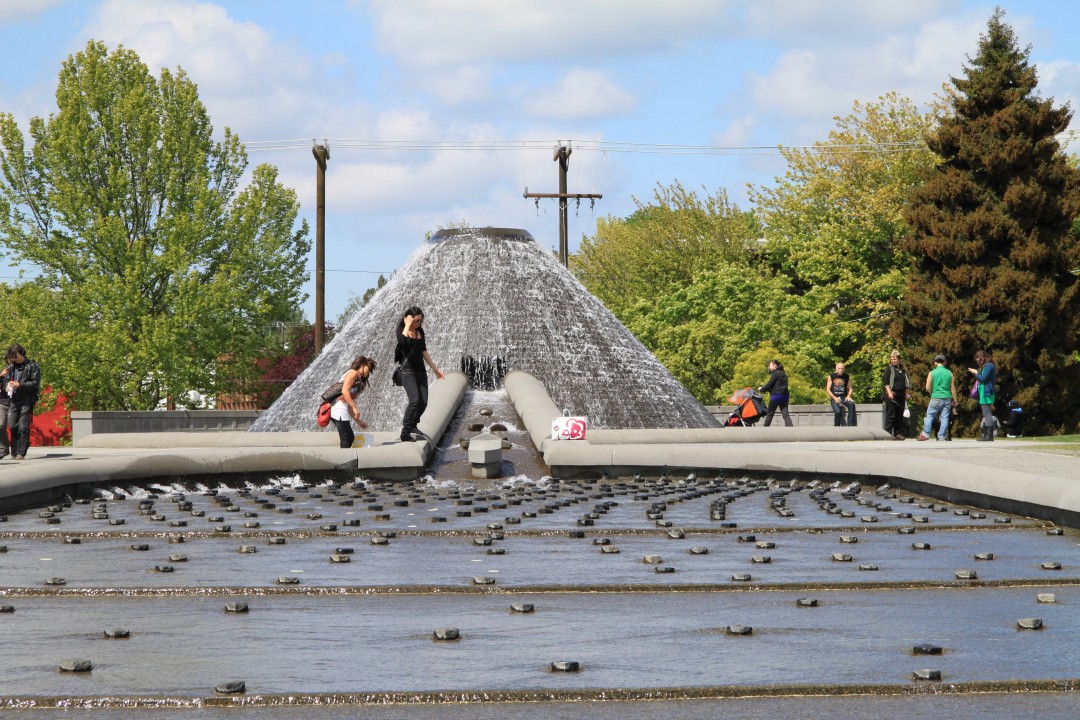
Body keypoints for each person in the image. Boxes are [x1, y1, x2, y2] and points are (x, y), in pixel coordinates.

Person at [395, 306, 444, 442]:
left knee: (423, 402)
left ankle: (413, 425)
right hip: (407, 371)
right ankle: (405, 432)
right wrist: (408, 325)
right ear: (407, 319)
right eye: (416, 321)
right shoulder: (400, 331)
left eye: (420, 321)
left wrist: (435, 369)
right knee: (415, 400)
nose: (418, 324)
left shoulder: (420, 331)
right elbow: (403, 342)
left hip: (420, 371)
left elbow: (423, 351)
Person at [329, 355, 375, 449]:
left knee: (349, 438)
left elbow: (349, 405)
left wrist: (359, 422)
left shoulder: (358, 380)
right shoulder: (353, 373)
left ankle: (344, 460)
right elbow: (344, 391)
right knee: (347, 438)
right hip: (338, 409)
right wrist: (355, 407)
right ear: (362, 365)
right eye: (369, 369)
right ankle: (343, 461)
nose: (368, 373)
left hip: (341, 409)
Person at [5, 343, 41, 460]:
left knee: (23, 426)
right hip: (14, 398)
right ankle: (17, 449)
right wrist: (7, 385)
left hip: (26, 399)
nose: (14, 358)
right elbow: (6, 379)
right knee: (11, 425)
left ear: (21, 353)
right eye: (12, 356)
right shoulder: (11, 366)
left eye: (15, 356)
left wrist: (19, 385)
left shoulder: (32, 366)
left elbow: (35, 384)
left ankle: (20, 452)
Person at [917, 354, 957, 441]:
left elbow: (927, 387)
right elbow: (952, 387)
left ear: (935, 362)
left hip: (936, 397)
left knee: (930, 415)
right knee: (944, 417)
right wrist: (955, 399)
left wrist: (932, 392)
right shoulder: (949, 373)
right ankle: (941, 436)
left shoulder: (932, 373)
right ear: (944, 362)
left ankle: (926, 434)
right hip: (947, 398)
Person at [968, 349, 997, 442]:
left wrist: (975, 372)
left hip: (987, 392)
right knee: (985, 413)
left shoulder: (989, 366)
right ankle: (987, 435)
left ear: (982, 358)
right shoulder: (987, 366)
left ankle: (989, 436)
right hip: (984, 393)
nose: (977, 362)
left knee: (987, 414)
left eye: (978, 359)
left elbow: (983, 378)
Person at [882, 350, 908, 440]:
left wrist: (906, 394)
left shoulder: (902, 369)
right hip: (892, 394)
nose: (893, 361)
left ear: (899, 359)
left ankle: (898, 433)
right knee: (891, 415)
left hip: (901, 394)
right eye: (892, 359)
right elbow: (886, 382)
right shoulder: (889, 368)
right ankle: (887, 433)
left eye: (895, 359)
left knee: (899, 415)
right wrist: (889, 392)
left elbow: (905, 382)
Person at [759, 359, 793, 427]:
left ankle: (765, 429)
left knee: (770, 413)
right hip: (785, 396)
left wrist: (762, 389)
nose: (769, 367)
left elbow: (769, 384)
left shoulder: (775, 373)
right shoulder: (783, 374)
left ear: (775, 366)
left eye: (770, 366)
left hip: (776, 396)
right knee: (785, 413)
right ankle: (790, 429)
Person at [826, 362, 857, 427]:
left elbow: (851, 388)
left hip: (843, 397)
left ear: (844, 369)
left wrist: (848, 396)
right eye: (839, 368)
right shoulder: (831, 376)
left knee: (851, 404)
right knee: (838, 412)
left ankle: (850, 424)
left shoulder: (847, 376)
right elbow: (828, 389)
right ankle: (836, 427)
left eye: (842, 368)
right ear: (836, 368)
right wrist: (834, 398)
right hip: (834, 398)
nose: (841, 370)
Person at [0, 352, 10, 460]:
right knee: (1, 425)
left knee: (15, 426)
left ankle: (18, 451)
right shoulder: (3, 371)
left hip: (16, 401)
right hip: (3, 401)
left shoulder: (21, 371)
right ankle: (3, 449)